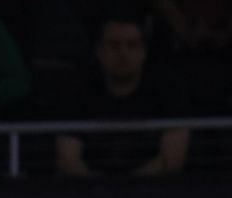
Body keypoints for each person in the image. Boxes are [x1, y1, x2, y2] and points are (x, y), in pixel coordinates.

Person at [54, 16, 191, 177]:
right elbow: (67, 161)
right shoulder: (76, 93)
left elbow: (172, 161)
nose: (123, 53)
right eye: (114, 45)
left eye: (131, 45)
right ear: (99, 51)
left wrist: (126, 188)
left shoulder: (169, 92)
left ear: (144, 52)